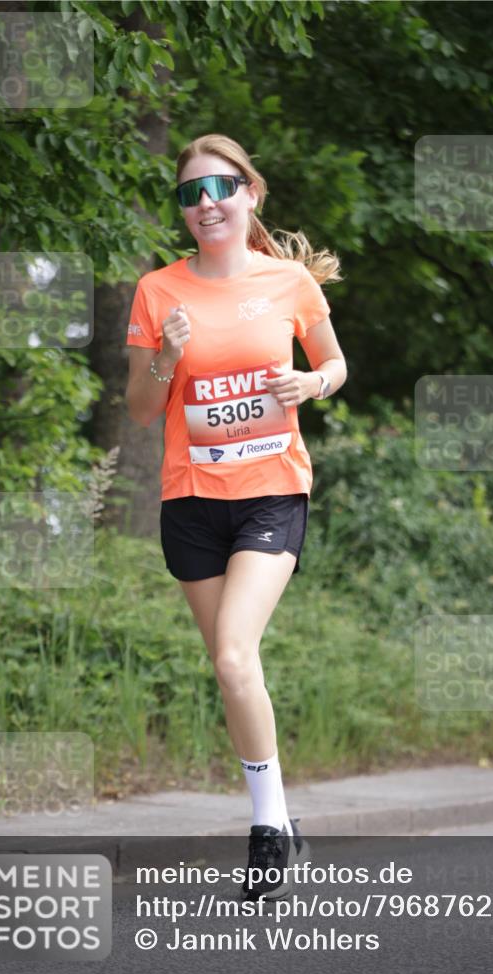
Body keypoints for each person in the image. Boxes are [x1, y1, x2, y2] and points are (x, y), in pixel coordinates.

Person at [125, 133, 347, 900]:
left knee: (230, 655)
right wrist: (165, 356)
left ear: (249, 192)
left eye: (218, 188)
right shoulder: (158, 291)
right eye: (190, 194)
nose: (205, 204)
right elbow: (142, 407)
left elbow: (335, 364)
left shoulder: (288, 283)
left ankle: (268, 828)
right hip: (190, 500)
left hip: (270, 492)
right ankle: (282, 825)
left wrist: (309, 385)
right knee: (233, 671)